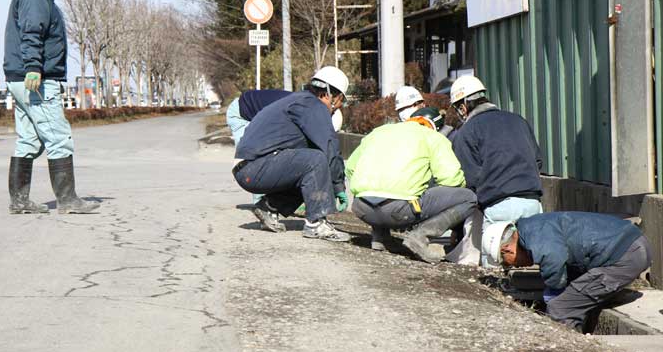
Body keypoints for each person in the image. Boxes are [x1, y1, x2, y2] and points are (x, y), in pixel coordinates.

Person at [3, 0, 98, 215]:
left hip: (20, 78)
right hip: (35, 79)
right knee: (58, 137)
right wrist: (34, 66)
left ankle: (19, 202)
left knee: (29, 140)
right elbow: (32, 32)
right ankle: (68, 201)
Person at [232, 67, 351, 242]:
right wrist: (338, 185)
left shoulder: (299, 101)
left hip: (251, 169)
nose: (338, 107)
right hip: (254, 170)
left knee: (310, 164)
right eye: (341, 101)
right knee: (316, 160)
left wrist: (332, 182)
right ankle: (316, 224)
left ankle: (269, 207)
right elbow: (329, 147)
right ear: (330, 95)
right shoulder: (313, 105)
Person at [345, 107, 477, 262]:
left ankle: (380, 237)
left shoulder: (379, 132)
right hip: (398, 211)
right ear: (435, 127)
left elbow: (350, 168)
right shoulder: (432, 137)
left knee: (386, 186)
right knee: (468, 198)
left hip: (362, 208)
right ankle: (420, 237)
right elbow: (452, 180)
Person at [484, 213, 652, 333]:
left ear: (507, 249)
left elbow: (553, 259)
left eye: (506, 262)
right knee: (573, 291)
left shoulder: (535, 235)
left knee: (560, 308)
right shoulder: (532, 227)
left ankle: (574, 349)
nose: (515, 267)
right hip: (632, 245)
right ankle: (609, 296)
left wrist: (554, 290)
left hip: (624, 256)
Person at [449, 76, 542, 264]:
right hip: (532, 202)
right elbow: (538, 161)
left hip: (498, 205)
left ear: (463, 107)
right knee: (533, 260)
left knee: (494, 266)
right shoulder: (519, 121)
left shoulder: (467, 132)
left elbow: (468, 179)